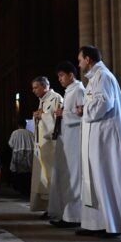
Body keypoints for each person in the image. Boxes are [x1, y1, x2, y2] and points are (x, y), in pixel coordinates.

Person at [76, 45, 121, 238]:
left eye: (80, 60)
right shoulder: (95, 78)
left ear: (89, 59)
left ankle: (114, 224)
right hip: (97, 137)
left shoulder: (104, 76)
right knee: (96, 179)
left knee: (108, 178)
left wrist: (85, 110)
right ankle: (98, 223)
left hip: (107, 138)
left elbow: (105, 103)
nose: (79, 63)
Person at [48, 61, 84, 228]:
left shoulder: (79, 90)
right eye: (58, 76)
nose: (60, 79)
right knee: (65, 177)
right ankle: (66, 214)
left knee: (74, 178)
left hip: (75, 140)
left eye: (62, 75)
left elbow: (83, 115)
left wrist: (64, 114)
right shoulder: (69, 91)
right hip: (66, 139)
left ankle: (74, 217)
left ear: (71, 75)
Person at [30, 76, 63, 216]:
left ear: (45, 86)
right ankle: (47, 207)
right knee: (43, 176)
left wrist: (41, 115)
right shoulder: (42, 101)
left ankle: (54, 208)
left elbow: (58, 121)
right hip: (41, 144)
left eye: (36, 87)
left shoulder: (56, 98)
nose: (34, 91)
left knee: (51, 176)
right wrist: (37, 116)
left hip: (51, 144)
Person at [8, 119, 34, 196]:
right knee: (27, 173)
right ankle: (27, 190)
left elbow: (10, 144)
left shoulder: (15, 133)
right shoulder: (30, 133)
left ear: (18, 125)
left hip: (18, 154)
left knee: (19, 173)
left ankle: (20, 190)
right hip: (29, 155)